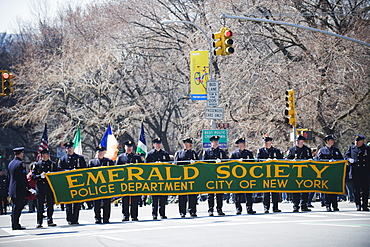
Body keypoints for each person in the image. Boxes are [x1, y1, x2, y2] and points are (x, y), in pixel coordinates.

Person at [57, 141, 87, 225]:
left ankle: (75, 219)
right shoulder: (62, 159)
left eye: (70, 148)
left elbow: (85, 169)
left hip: (78, 183)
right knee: (68, 202)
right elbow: (59, 170)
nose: (69, 149)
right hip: (67, 183)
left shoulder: (79, 158)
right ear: (65, 149)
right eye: (67, 148)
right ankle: (69, 219)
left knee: (77, 202)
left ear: (73, 148)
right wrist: (68, 171)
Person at [8, 147, 35, 230]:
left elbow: (10, 177)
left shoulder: (11, 163)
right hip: (19, 189)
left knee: (16, 207)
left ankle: (15, 223)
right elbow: (23, 178)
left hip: (13, 188)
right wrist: (28, 188)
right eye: (22, 153)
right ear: (20, 153)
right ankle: (15, 224)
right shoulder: (20, 164)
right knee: (18, 207)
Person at [32, 148, 59, 228]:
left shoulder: (53, 164)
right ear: (42, 155)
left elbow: (58, 174)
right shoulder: (37, 165)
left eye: (48, 154)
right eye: (45, 154)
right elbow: (33, 176)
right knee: (40, 205)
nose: (47, 156)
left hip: (50, 187)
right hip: (41, 187)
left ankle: (50, 220)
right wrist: (40, 176)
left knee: (50, 205)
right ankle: (39, 222)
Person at [116, 140, 142, 221]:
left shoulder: (137, 157)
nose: (129, 149)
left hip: (134, 182)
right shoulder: (120, 157)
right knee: (125, 199)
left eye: (130, 147)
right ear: (125, 148)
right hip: (124, 182)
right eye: (128, 147)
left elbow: (143, 168)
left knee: (135, 199)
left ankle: (134, 216)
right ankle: (125, 215)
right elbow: (116, 169)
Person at [174, 137, 199, 218]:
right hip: (182, 178)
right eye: (189, 143)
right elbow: (175, 165)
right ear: (185, 144)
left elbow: (199, 165)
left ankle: (193, 211)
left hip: (192, 177)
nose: (191, 145)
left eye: (191, 143)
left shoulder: (194, 153)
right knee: (182, 196)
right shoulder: (179, 153)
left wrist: (195, 163)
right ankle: (182, 212)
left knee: (193, 196)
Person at [229, 137, 256, 215]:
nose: (244, 145)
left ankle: (249, 208)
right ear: (238, 145)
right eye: (242, 143)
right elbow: (230, 164)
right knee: (237, 194)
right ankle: (238, 209)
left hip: (247, 175)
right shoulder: (234, 154)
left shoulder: (249, 153)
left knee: (249, 193)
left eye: (244, 143)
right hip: (237, 176)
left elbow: (253, 164)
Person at [286, 135, 313, 212]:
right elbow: (287, 160)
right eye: (297, 140)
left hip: (305, 172)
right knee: (296, 190)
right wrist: (291, 161)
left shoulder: (307, 150)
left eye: (299, 140)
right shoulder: (292, 150)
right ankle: (295, 205)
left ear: (303, 141)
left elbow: (310, 159)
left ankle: (304, 205)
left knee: (305, 189)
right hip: (295, 173)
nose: (298, 142)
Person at [317, 134, 343, 211]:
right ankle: (327, 205)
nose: (333, 141)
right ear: (327, 141)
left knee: (334, 189)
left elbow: (341, 159)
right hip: (325, 173)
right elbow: (318, 161)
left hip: (334, 173)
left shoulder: (336, 150)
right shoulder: (322, 150)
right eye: (331, 140)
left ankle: (335, 205)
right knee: (326, 190)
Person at [146, 138, 171, 220]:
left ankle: (162, 213)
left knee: (163, 197)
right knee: (155, 198)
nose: (158, 145)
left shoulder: (165, 154)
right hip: (154, 179)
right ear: (153, 145)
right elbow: (145, 166)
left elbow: (170, 166)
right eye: (156, 143)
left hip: (163, 178)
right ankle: (154, 214)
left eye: (159, 143)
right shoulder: (150, 154)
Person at [257, 136, 283, 213]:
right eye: (264, 143)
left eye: (267, 142)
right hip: (265, 173)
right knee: (266, 192)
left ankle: (275, 207)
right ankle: (266, 207)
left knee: (275, 191)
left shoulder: (276, 150)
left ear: (271, 142)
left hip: (274, 173)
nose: (266, 144)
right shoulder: (261, 150)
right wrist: (264, 161)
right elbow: (257, 160)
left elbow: (282, 160)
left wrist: (276, 160)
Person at [202, 135, 228, 216]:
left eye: (217, 142)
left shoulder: (222, 152)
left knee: (219, 194)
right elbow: (204, 163)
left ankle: (219, 209)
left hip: (220, 175)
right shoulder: (207, 152)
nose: (216, 143)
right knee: (211, 194)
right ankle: (210, 209)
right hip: (211, 175)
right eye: (214, 142)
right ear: (211, 143)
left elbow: (226, 162)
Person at [89, 145, 114, 224]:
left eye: (102, 152)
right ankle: (97, 218)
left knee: (107, 203)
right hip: (96, 186)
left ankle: (106, 218)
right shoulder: (92, 162)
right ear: (97, 153)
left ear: (104, 153)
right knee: (96, 203)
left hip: (107, 186)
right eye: (99, 152)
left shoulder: (109, 162)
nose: (100, 153)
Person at [344, 134, 370, 211]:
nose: (356, 142)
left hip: (365, 172)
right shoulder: (352, 148)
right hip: (355, 172)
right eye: (356, 141)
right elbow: (346, 156)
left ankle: (365, 205)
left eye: (358, 141)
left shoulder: (367, 149)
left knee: (365, 190)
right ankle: (358, 205)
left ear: (362, 141)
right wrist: (349, 159)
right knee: (356, 190)